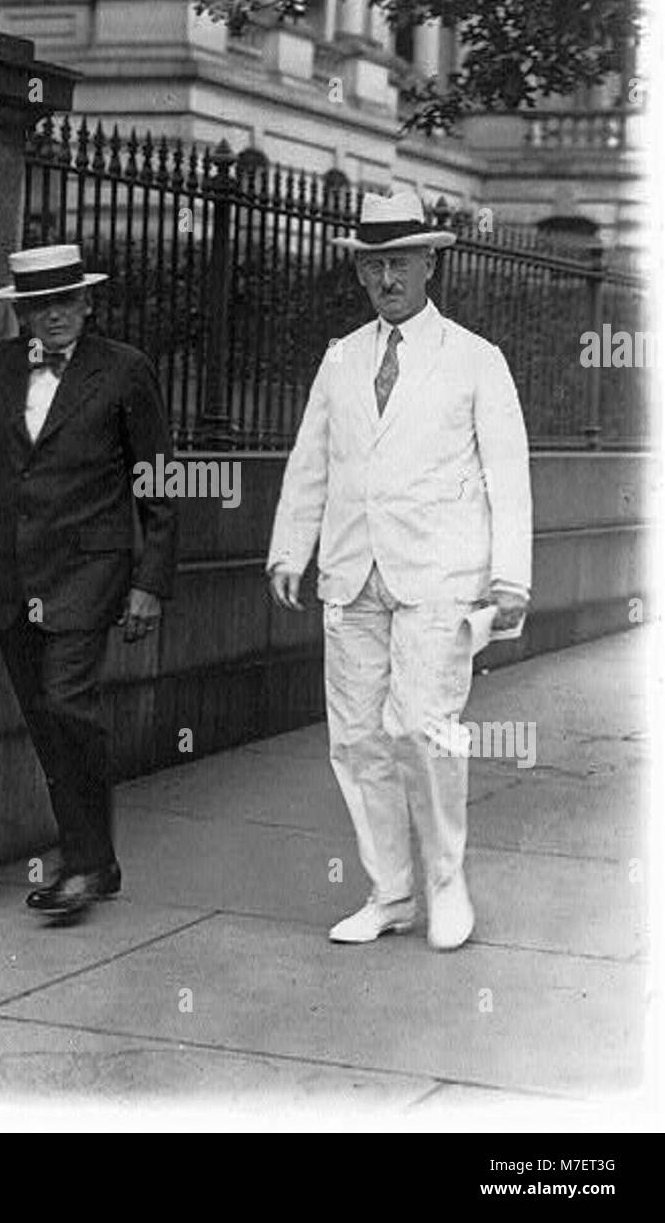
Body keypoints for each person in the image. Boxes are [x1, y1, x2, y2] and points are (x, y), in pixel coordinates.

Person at [267, 192, 531, 950]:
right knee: (356, 740)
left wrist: (511, 576)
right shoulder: (341, 358)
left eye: (401, 261)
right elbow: (312, 458)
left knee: (426, 730)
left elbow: (507, 473)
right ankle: (391, 893)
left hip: (438, 577)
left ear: (430, 263)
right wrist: (292, 547)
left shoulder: (475, 359)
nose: (388, 277)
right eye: (374, 263)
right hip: (353, 577)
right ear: (359, 272)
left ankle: (447, 884)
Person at [0, 244, 178, 919]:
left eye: (67, 302)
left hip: (88, 573)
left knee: (68, 702)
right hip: (10, 573)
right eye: (42, 305)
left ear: (88, 304)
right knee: (45, 721)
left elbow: (158, 482)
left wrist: (150, 580)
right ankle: (93, 859)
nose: (56, 315)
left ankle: (84, 866)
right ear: (23, 314)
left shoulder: (125, 372)